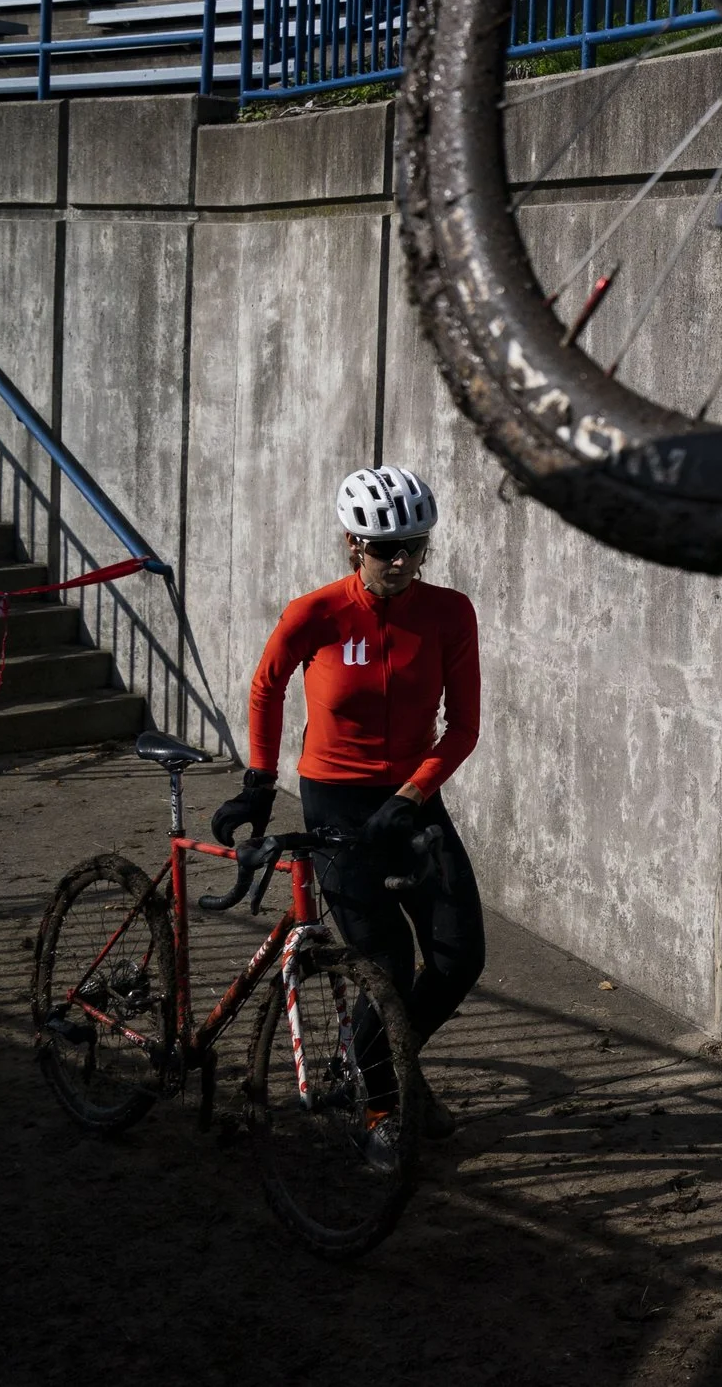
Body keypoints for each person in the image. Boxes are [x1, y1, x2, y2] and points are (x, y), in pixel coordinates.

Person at [209, 464, 484, 1148]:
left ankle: (377, 1060)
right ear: (351, 544)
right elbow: (267, 687)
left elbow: (464, 727)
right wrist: (258, 780)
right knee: (384, 963)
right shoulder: (317, 612)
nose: (400, 560)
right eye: (383, 546)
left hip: (411, 800)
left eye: (414, 546)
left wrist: (413, 794)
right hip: (335, 798)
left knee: (459, 955)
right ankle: (382, 1106)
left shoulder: (450, 612)